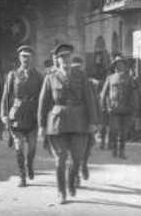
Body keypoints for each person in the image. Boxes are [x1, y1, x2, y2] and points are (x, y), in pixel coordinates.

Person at [38, 44, 98, 204]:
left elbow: (89, 99)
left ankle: (71, 182)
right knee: (60, 159)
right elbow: (43, 104)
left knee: (77, 159)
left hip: (79, 122)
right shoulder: (50, 78)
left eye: (68, 57)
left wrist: (93, 122)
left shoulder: (81, 76)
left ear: (71, 59)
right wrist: (41, 126)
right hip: (57, 123)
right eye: (62, 57)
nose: (65, 60)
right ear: (57, 60)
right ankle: (61, 191)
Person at [2, 46, 44, 186]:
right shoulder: (13, 75)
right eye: (23, 56)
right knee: (19, 148)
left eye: (28, 56)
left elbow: (43, 97)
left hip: (32, 115)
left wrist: (43, 115)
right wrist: (4, 114)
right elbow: (6, 96)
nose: (26, 59)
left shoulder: (38, 76)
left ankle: (29, 165)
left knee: (32, 148)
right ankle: (22, 175)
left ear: (32, 58)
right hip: (17, 115)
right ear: (19, 58)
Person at [100, 57, 139, 159]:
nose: (119, 66)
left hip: (126, 109)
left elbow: (134, 93)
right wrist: (104, 106)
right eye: (117, 64)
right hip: (113, 108)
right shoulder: (110, 78)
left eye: (121, 64)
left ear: (125, 67)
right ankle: (114, 148)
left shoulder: (129, 79)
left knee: (124, 131)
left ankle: (122, 150)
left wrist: (134, 107)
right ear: (114, 67)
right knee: (114, 129)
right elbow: (104, 94)